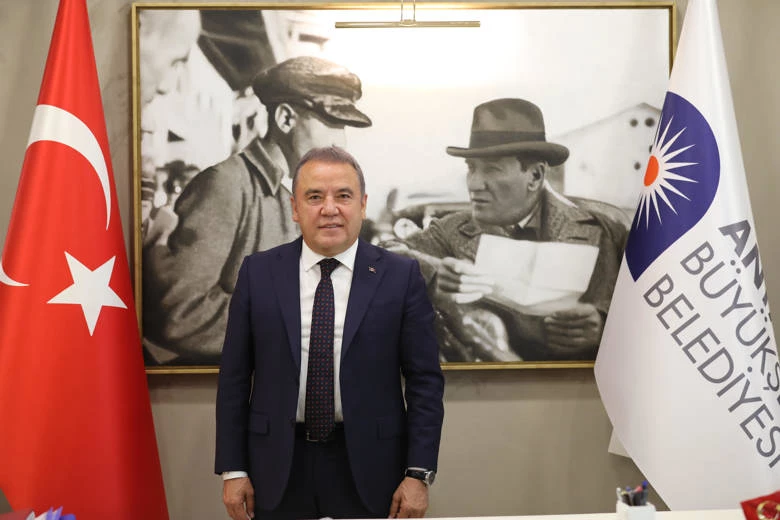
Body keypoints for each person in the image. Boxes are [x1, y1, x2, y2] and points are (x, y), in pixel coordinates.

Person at [215, 146, 444, 520]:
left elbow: (425, 382)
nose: (330, 209)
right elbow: (234, 377)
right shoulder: (258, 273)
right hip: (275, 467)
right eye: (314, 197)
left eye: (343, 196)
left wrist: (418, 473)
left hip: (372, 468)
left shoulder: (401, 277)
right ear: (295, 208)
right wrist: (233, 469)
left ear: (363, 205)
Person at [142, 57, 372, 364]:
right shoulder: (227, 184)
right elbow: (180, 311)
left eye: (343, 126)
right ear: (286, 119)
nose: (340, 141)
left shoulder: (300, 196)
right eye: (331, 122)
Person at [385, 98, 629, 362]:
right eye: (471, 169)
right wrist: (433, 274)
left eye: (492, 170)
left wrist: (604, 326)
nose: (475, 184)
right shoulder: (450, 230)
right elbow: (381, 260)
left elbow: (649, 316)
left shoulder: (605, 231)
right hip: (487, 383)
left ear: (535, 176)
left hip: (578, 384)